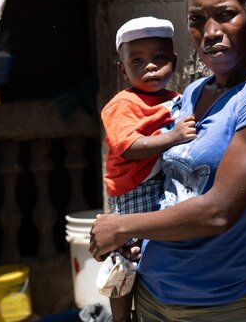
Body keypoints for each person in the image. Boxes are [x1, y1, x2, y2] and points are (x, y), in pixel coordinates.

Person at [90, 0, 246, 321]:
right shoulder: (191, 94)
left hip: (217, 302)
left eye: (225, 15)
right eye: (197, 19)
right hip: (154, 293)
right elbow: (171, 188)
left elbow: (218, 212)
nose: (211, 31)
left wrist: (122, 225)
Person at [100, 16, 197, 322]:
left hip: (157, 181)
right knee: (127, 254)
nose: (151, 67)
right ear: (122, 68)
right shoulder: (122, 104)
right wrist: (172, 137)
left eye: (159, 58)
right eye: (138, 61)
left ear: (174, 60)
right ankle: (120, 318)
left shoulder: (177, 99)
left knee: (153, 246)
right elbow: (127, 147)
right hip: (132, 187)